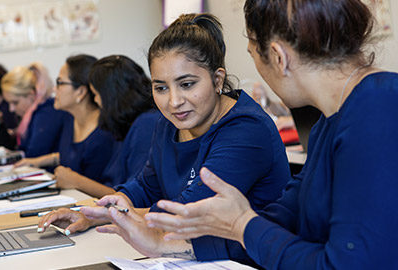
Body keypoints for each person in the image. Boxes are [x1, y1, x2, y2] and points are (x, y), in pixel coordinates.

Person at [142, 2, 398, 269]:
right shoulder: (329, 120)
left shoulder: (380, 109)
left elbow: (346, 263)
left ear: (278, 57)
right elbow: (284, 215)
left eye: (253, 53)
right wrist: (168, 244)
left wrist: (241, 224)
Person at [38, 14, 290, 265]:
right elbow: (146, 186)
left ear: (217, 79)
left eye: (187, 84)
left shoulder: (246, 129)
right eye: (160, 88)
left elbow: (191, 211)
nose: (174, 101)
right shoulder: (169, 123)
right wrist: (103, 207)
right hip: (192, 256)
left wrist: (106, 214)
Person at [39, 55, 160, 198]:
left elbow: (133, 197)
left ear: (111, 96)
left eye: (96, 94)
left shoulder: (146, 124)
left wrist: (76, 181)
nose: (96, 100)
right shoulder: (128, 125)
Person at [14, 55, 118, 192]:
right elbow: (72, 153)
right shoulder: (70, 119)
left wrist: (74, 181)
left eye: (60, 83)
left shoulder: (104, 132)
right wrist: (37, 161)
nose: (54, 90)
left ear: (80, 92)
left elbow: (112, 192)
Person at [1, 62, 71, 158]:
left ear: (31, 95)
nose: (11, 109)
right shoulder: (37, 113)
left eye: (15, 102)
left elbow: (33, 156)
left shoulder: (46, 114)